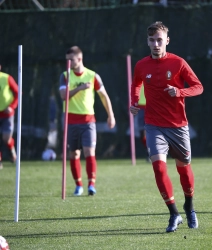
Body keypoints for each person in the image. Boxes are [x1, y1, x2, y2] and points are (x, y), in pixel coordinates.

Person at [129, 21, 204, 232]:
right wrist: (134, 102)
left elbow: (198, 87)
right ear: (147, 41)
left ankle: (189, 206)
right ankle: (173, 214)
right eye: (152, 40)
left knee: (184, 169)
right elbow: (136, 83)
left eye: (159, 40)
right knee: (159, 168)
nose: (156, 44)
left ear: (167, 41)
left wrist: (180, 92)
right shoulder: (141, 65)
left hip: (178, 126)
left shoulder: (179, 63)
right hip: (153, 125)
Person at [59, 46, 116, 196]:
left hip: (88, 120)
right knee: (74, 154)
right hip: (70, 120)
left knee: (89, 151)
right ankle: (78, 185)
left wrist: (111, 115)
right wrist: (81, 88)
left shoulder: (92, 75)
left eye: (71, 60)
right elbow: (63, 96)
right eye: (67, 61)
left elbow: (104, 96)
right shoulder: (65, 75)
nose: (69, 63)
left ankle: (91, 184)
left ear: (79, 59)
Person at [0, 64, 18, 169]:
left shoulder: (6, 78)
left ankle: (12, 151)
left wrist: (12, 106)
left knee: (6, 138)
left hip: (7, 113)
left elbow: (17, 92)